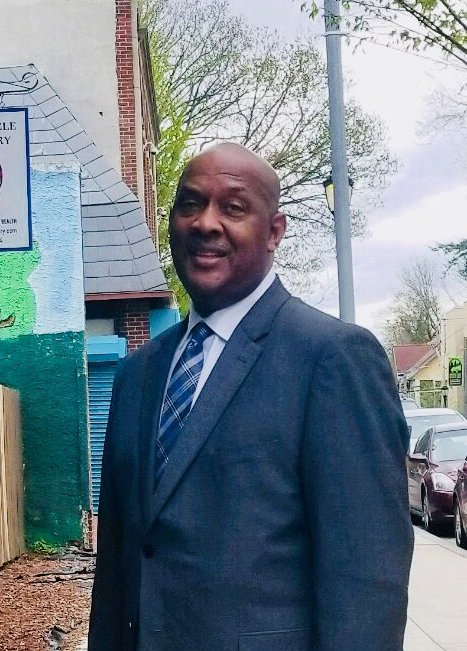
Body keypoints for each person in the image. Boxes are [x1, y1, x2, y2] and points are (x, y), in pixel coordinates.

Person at [88, 143, 413, 651]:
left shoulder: (331, 359)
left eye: (233, 208)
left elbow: (366, 578)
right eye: (190, 204)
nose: (205, 223)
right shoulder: (136, 374)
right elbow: (117, 567)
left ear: (274, 232)